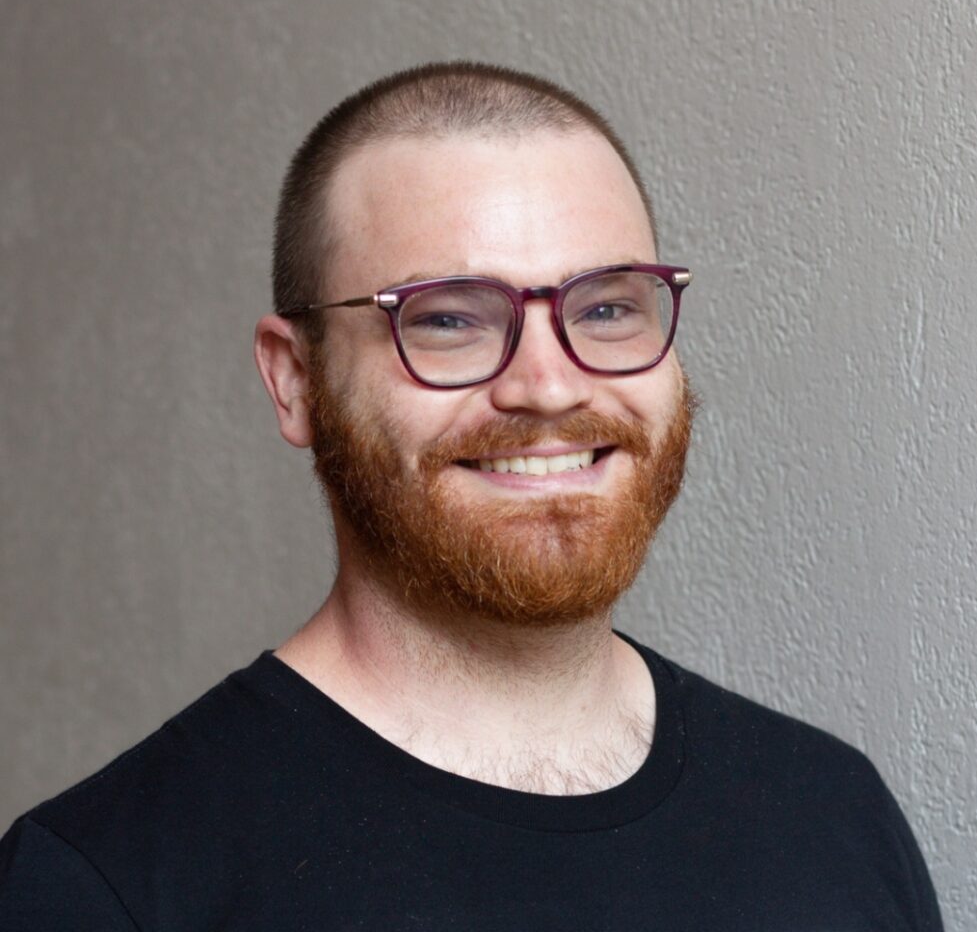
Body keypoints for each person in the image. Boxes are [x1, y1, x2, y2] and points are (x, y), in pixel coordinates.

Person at [0, 62, 942, 930]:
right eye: (448, 318)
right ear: (295, 380)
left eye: (607, 307)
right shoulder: (102, 884)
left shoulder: (830, 812)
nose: (548, 385)